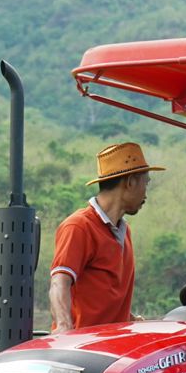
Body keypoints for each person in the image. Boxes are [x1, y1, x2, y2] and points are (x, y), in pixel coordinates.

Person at [48, 142, 163, 332]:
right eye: (146, 183)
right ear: (130, 182)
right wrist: (63, 327)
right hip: (82, 347)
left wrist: (131, 319)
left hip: (112, 344)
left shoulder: (124, 231)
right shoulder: (79, 226)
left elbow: (103, 297)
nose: (146, 193)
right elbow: (60, 282)